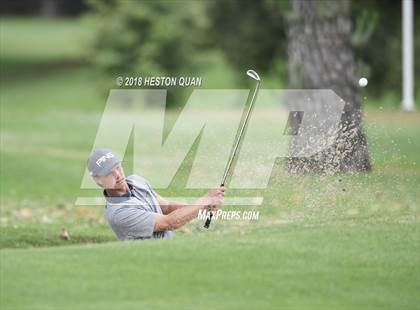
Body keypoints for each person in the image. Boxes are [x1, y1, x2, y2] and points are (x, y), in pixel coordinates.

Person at [87, 148, 225, 240]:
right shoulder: (119, 213)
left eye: (118, 167)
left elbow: (167, 207)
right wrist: (202, 202)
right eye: (110, 173)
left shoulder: (136, 181)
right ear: (99, 181)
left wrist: (203, 208)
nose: (117, 174)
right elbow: (169, 222)